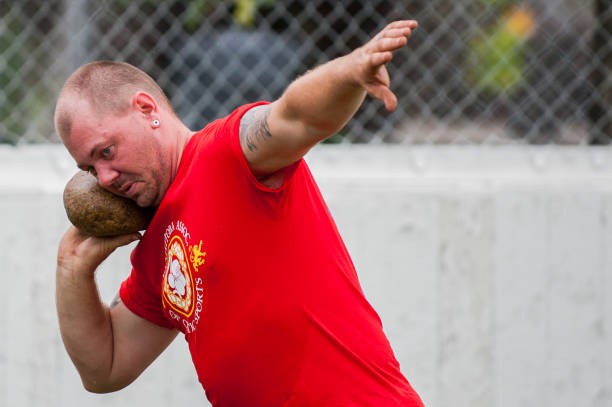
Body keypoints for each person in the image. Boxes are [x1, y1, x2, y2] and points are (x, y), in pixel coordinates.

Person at [54, 20, 424, 407]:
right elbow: (105, 369)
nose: (105, 178)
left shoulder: (227, 153)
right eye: (90, 170)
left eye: (106, 152)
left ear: (146, 109)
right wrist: (71, 269)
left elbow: (297, 117)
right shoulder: (156, 256)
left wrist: (349, 72)